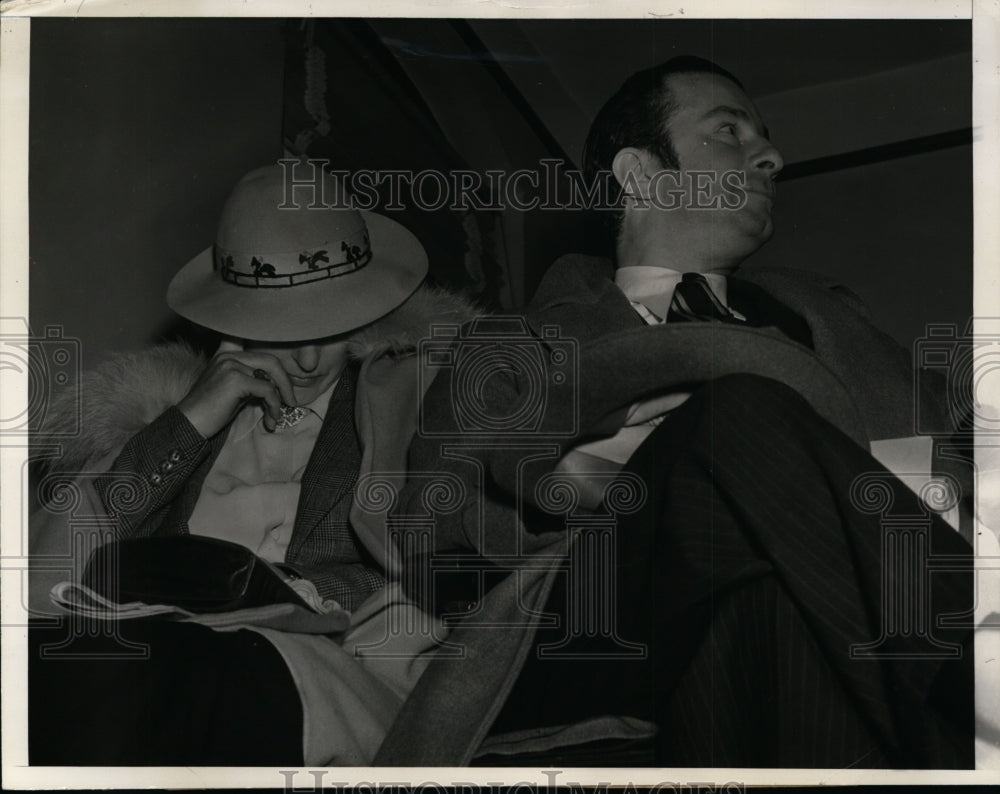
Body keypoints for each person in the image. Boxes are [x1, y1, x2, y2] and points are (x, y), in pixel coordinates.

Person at [373, 57, 975, 767]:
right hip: (587, 626)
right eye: (728, 131)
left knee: (763, 610)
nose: (772, 157)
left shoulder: (837, 326)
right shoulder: (514, 348)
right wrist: (594, 487)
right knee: (738, 413)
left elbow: (963, 459)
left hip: (801, 617)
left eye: (765, 137)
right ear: (639, 173)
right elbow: (434, 549)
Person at [28, 162, 477, 765]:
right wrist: (187, 424)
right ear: (234, 319)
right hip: (156, 657)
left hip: (316, 677)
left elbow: (448, 571)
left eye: (334, 322)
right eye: (284, 329)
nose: (312, 359)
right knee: (79, 665)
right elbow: (50, 572)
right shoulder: (165, 423)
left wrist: (307, 596)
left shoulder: (414, 410)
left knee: (168, 670)